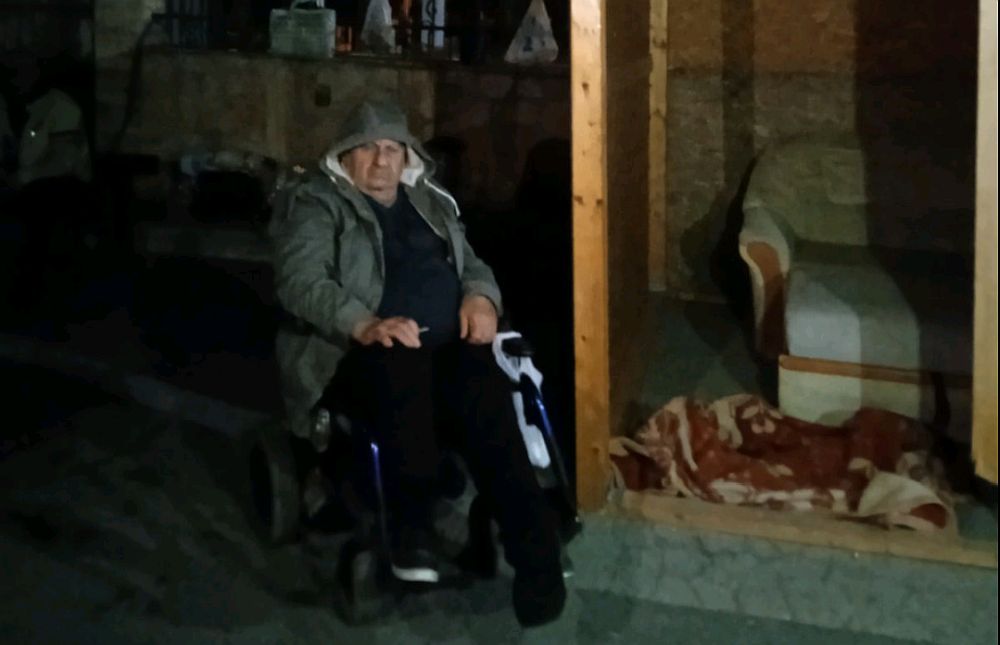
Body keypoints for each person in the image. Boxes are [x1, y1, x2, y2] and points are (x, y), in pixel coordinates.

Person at [269, 97, 566, 626]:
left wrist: (481, 297)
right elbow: (300, 281)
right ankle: (411, 524)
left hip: (447, 347)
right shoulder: (317, 203)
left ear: (408, 156)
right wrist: (365, 323)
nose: (381, 160)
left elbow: (473, 263)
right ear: (344, 155)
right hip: (363, 351)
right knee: (401, 368)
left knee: (489, 403)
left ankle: (537, 550)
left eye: (392, 148)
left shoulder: (428, 200)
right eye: (367, 148)